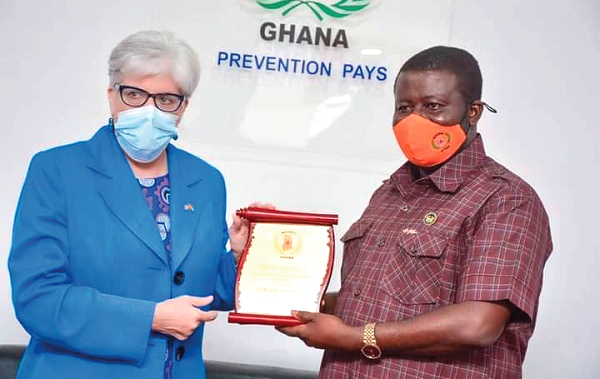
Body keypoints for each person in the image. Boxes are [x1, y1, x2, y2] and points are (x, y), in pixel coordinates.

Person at [278, 46, 553, 378]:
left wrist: (353, 338)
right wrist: (286, 294)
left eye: (433, 106)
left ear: (474, 112)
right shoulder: (389, 193)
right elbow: (375, 301)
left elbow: (478, 324)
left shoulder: (506, 200)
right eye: (404, 107)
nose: (414, 120)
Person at [8, 30, 254, 379]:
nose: (149, 110)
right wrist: (151, 318)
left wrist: (240, 257)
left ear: (184, 106)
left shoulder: (205, 180)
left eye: (166, 99)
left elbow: (200, 292)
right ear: (112, 95)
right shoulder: (57, 170)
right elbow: (38, 298)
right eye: (135, 94)